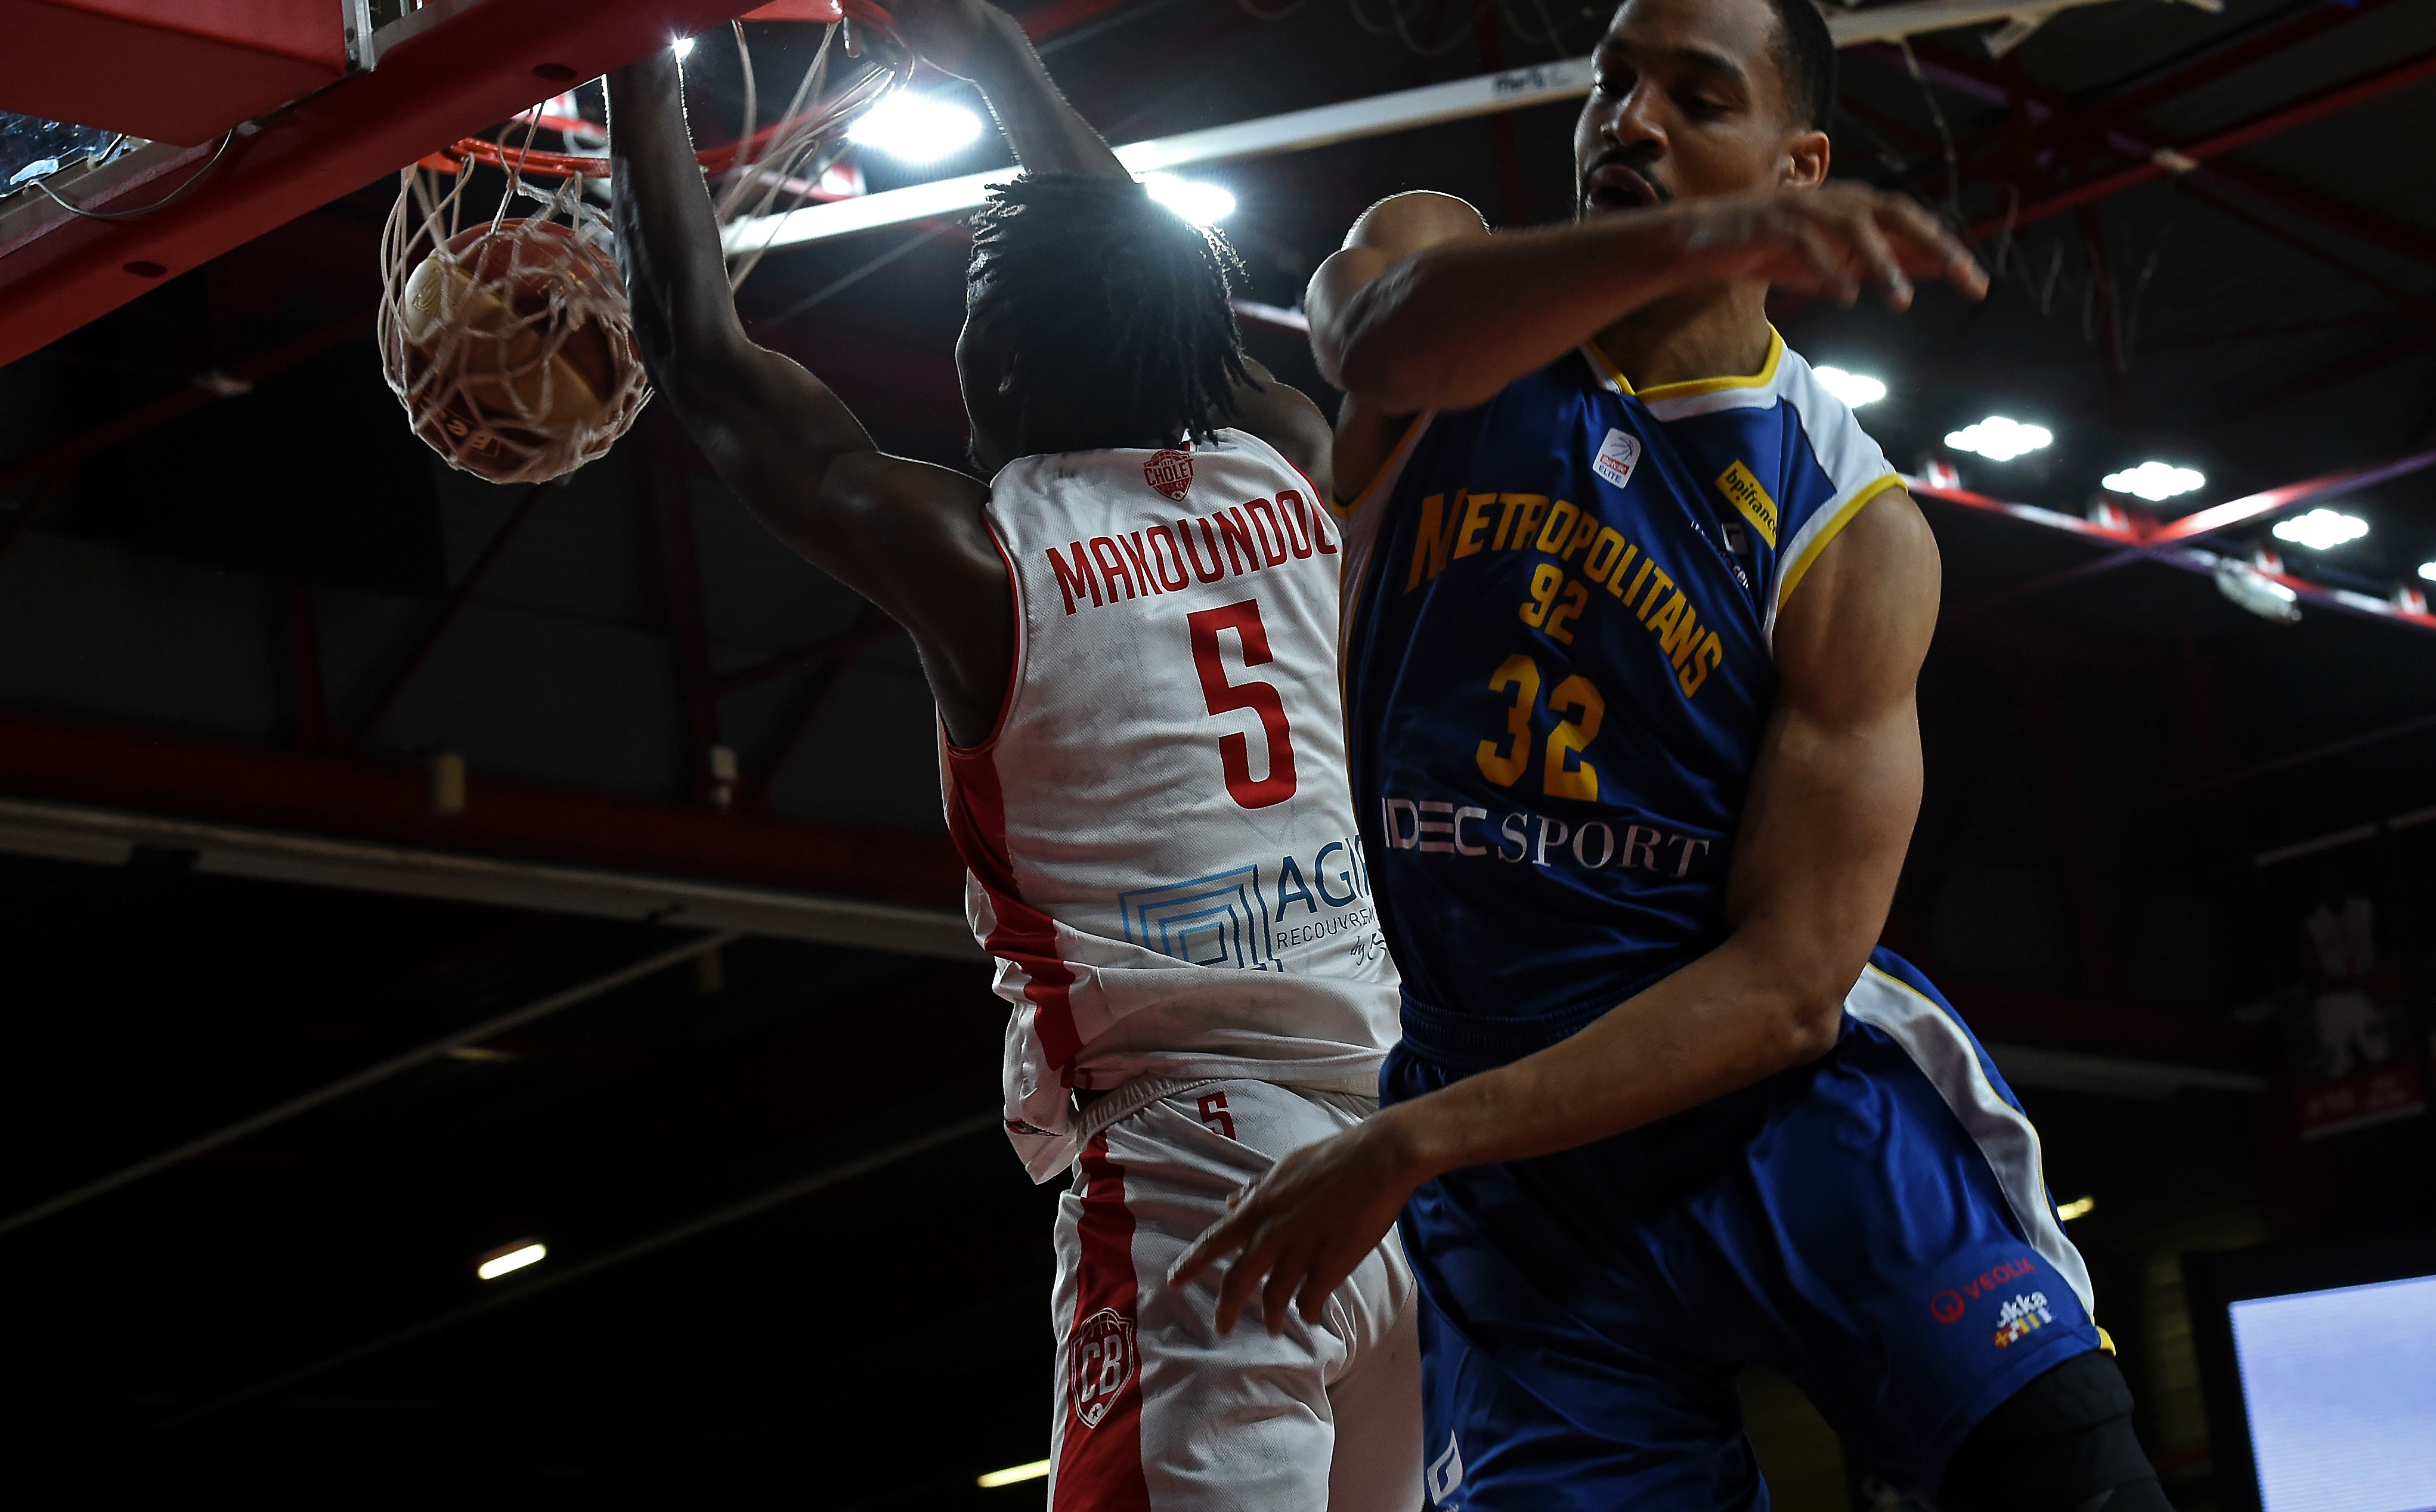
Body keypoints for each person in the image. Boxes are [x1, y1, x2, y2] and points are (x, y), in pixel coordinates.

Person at [1173, 0, 2169, 1507]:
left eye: (1696, 97)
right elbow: (1375, 334)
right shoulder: (1442, 287)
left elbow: (1784, 989)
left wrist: (1409, 1142)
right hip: (1520, 1184)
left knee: (2075, 1480)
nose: (1627, 120)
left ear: (1798, 162)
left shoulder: (1851, 526)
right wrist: (1693, 240)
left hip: (1771, 1126)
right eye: (1612, 82)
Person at [606, 5, 1419, 1507]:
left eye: (974, 312)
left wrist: (626, 47)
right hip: (1403, 1165)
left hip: (1205, 1177)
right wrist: (990, 53)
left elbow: (703, 364)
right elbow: (1170, 288)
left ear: (1010, 357)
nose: (959, 344)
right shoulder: (1293, 460)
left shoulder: (991, 559)